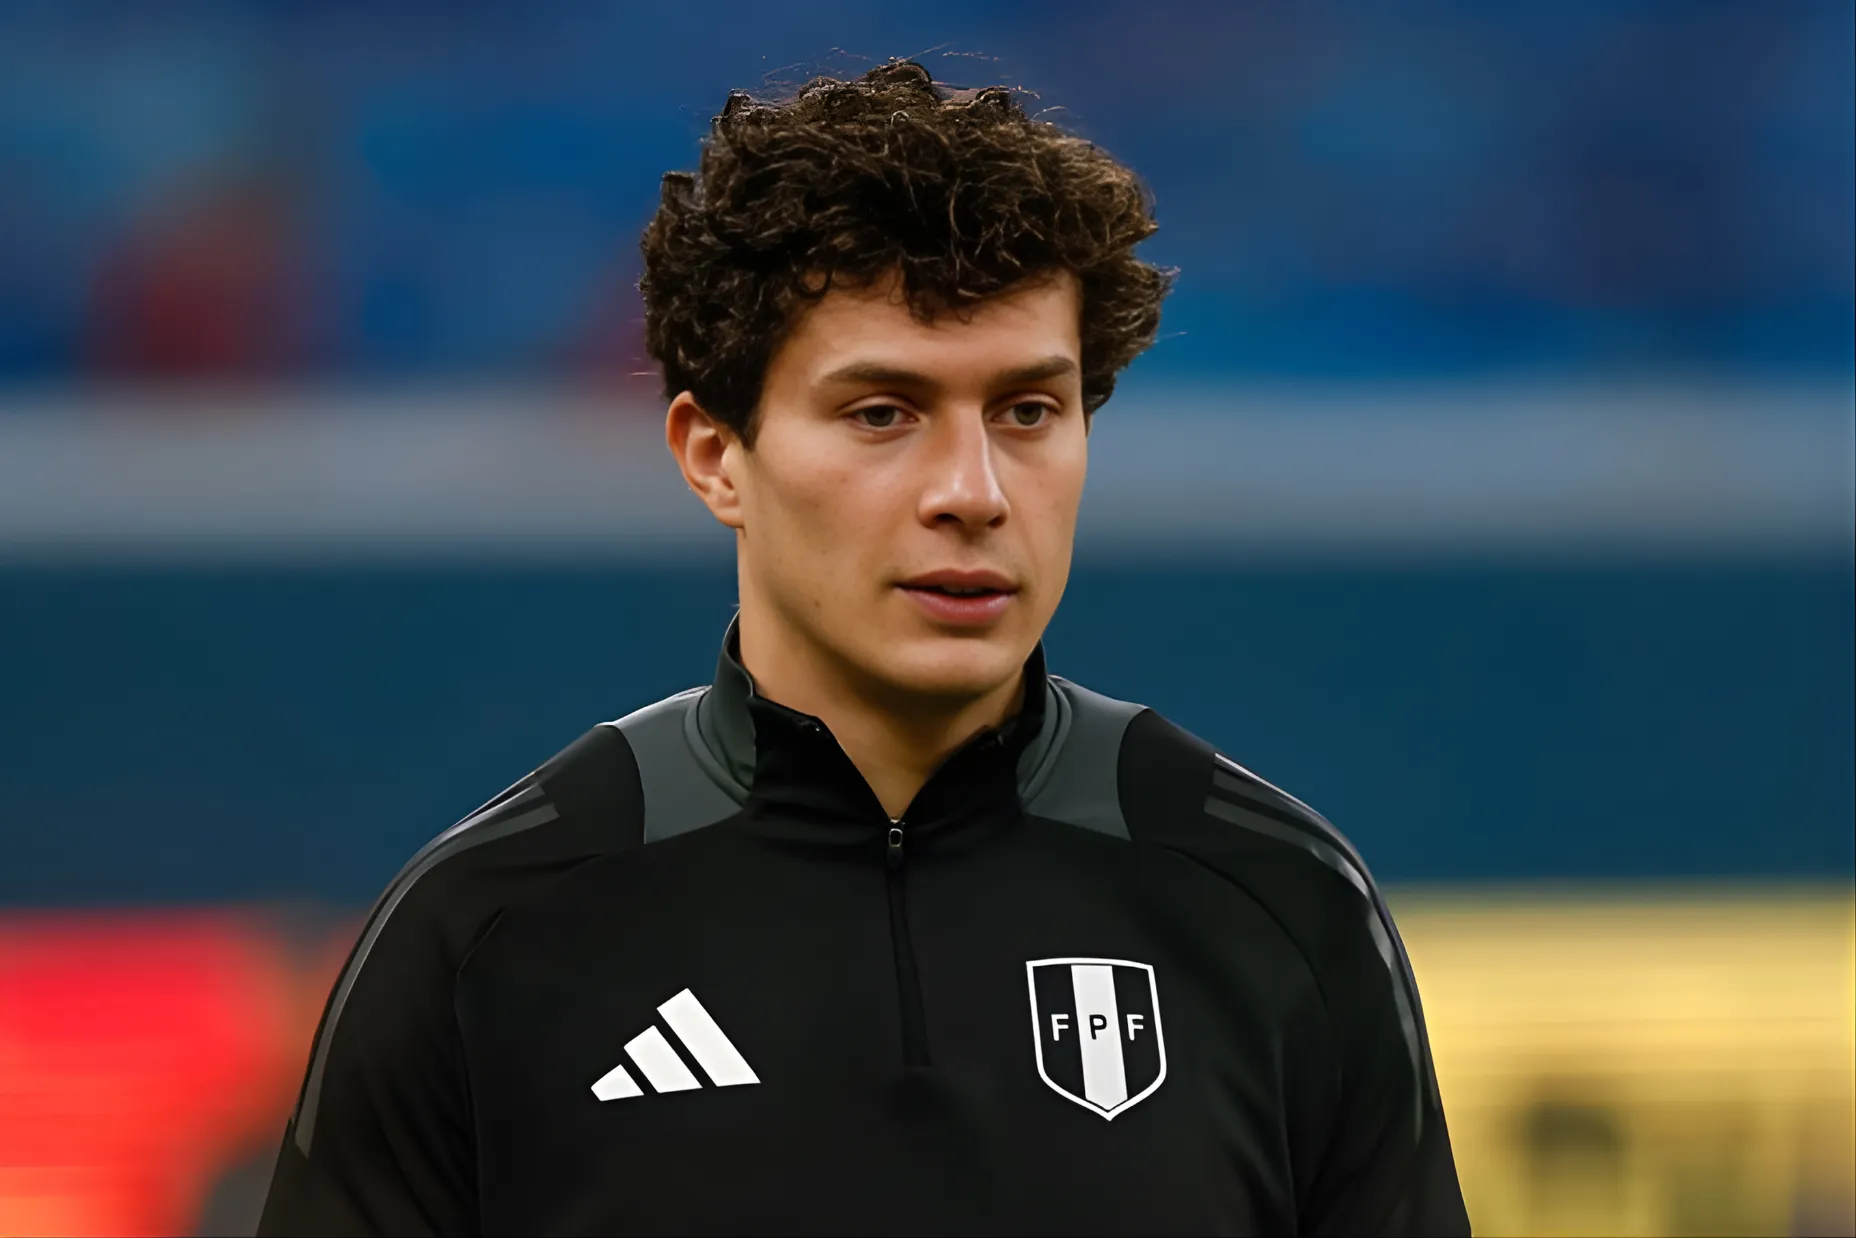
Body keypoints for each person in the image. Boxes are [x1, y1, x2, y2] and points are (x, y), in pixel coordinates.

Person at [258, 60, 1469, 1236]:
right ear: (712, 452)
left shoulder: (1275, 903)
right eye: (881, 412)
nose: (971, 490)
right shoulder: (488, 933)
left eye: (1027, 411)